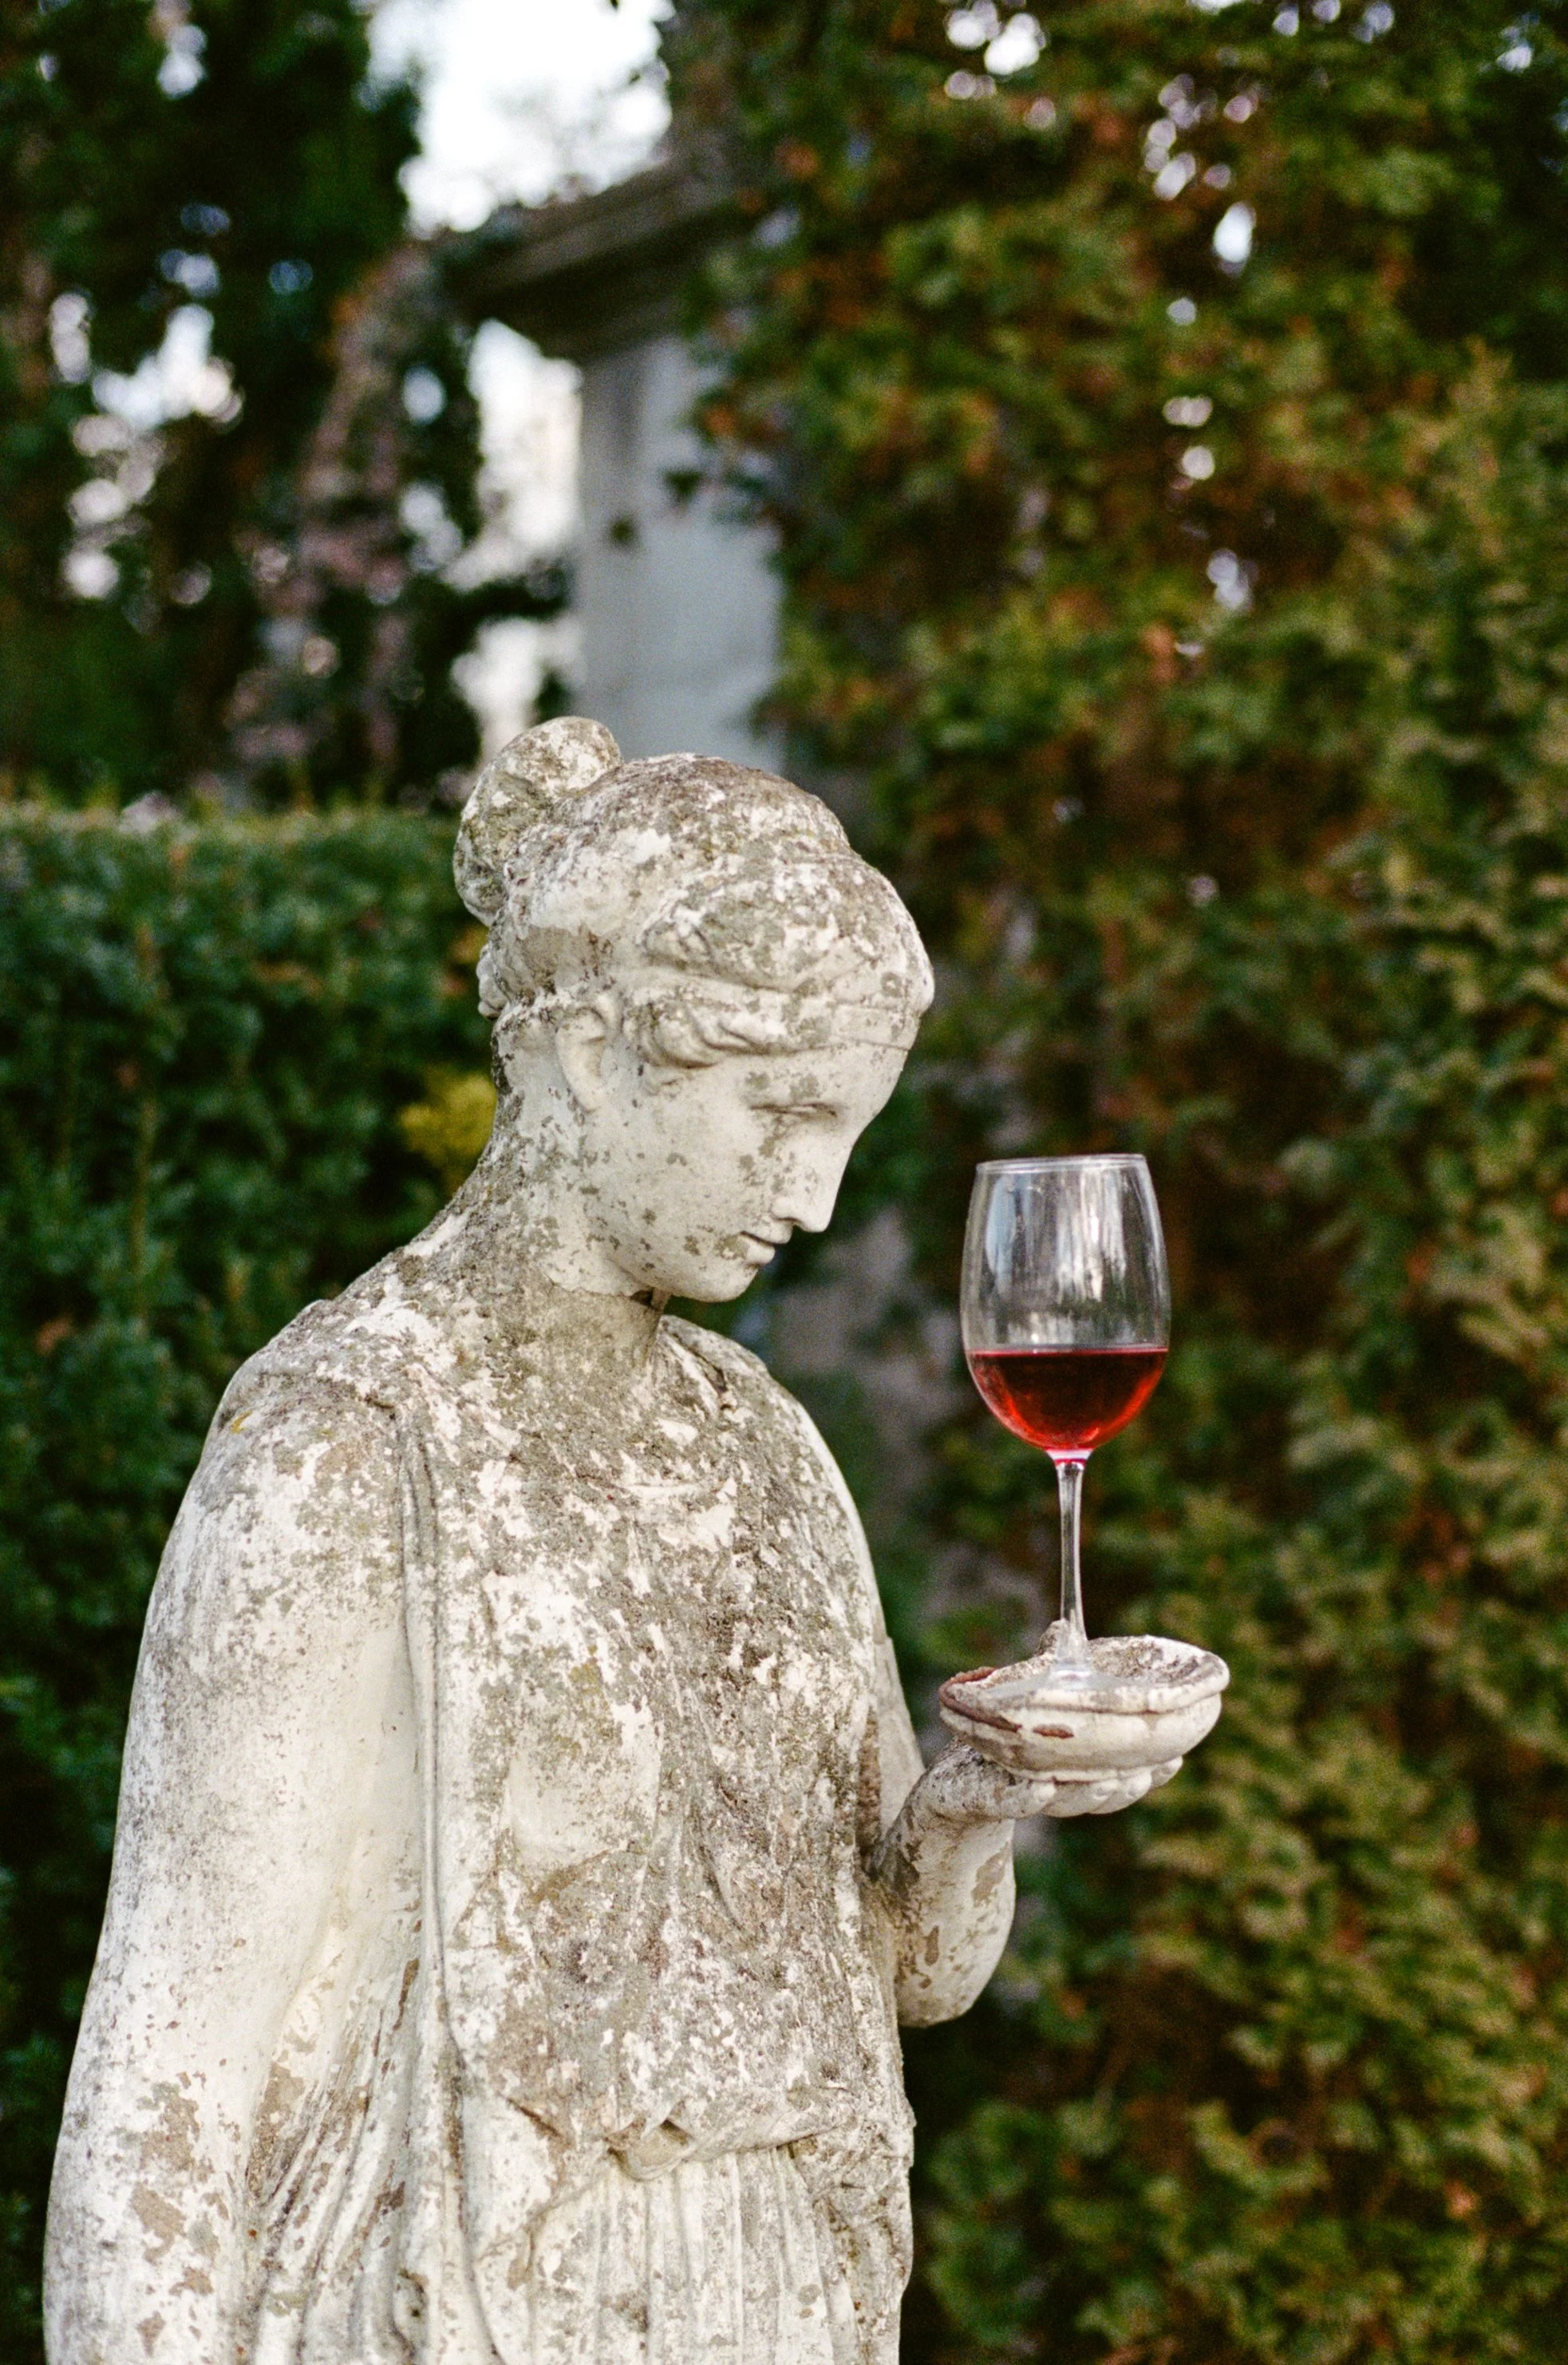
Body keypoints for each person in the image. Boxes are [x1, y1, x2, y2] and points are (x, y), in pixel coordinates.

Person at [45, 722, 1180, 2364]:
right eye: (779, 1112)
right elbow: (174, 2069)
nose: (817, 1196)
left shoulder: (760, 1440)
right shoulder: (349, 1447)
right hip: (482, 2303)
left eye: (847, 1133)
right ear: (590, 1049)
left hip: (791, 2299)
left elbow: (912, 1970)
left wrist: (981, 1799)